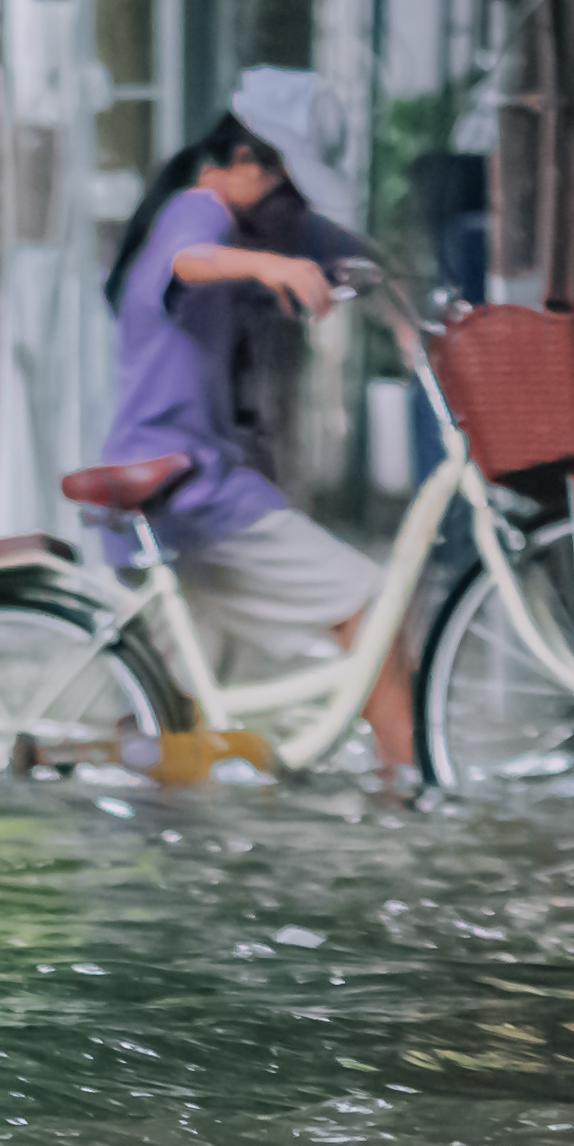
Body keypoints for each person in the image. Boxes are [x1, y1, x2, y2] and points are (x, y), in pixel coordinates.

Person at [89, 70, 408, 777]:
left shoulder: (256, 219)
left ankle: (63, 763)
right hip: (195, 490)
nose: (290, 216)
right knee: (371, 602)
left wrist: (411, 313)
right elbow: (190, 259)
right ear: (241, 163)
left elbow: (350, 254)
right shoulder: (197, 207)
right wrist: (270, 267)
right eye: (287, 192)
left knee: (172, 721)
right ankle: (411, 796)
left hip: (177, 492)